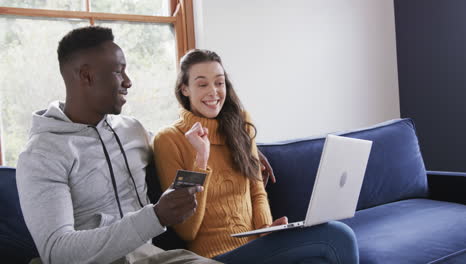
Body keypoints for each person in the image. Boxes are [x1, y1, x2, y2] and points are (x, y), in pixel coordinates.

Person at [16, 26, 221, 264]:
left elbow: (181, 144)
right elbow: (57, 252)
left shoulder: (133, 130)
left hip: (150, 257)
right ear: (86, 75)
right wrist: (155, 216)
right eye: (118, 72)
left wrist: (244, 150)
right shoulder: (41, 154)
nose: (128, 81)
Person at [153, 49, 360, 263]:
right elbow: (187, 231)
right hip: (214, 258)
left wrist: (266, 230)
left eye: (219, 82)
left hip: (257, 249)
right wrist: (201, 159)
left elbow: (257, 191)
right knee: (337, 236)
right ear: (185, 89)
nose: (214, 91)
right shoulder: (168, 140)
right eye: (202, 84)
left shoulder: (240, 123)